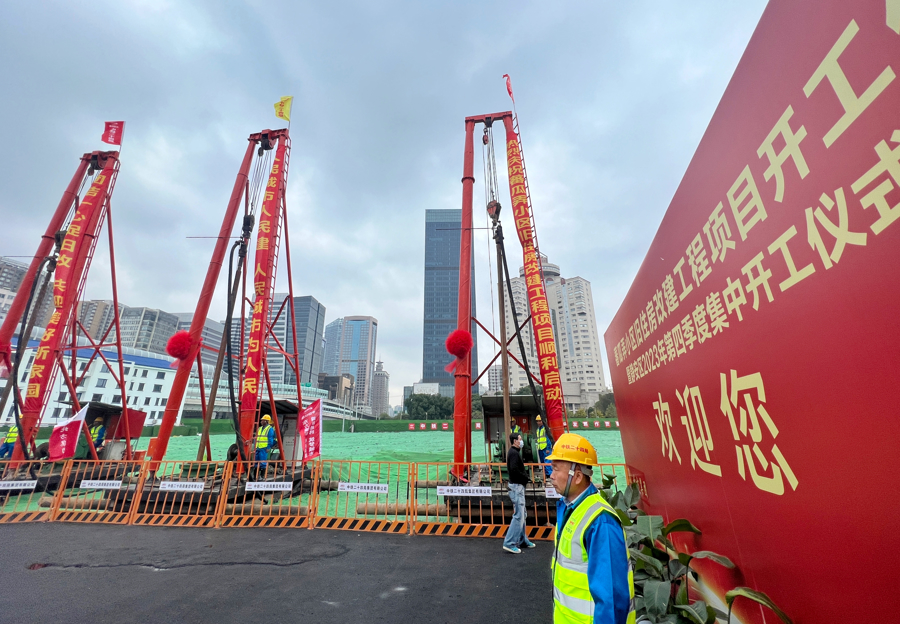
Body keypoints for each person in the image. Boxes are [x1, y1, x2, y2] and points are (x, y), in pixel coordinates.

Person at [547, 433, 635, 624]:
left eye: (555, 469)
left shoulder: (600, 522)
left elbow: (611, 600)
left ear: (577, 476)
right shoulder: (571, 509)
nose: (550, 476)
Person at [503, 432, 535, 554]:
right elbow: (514, 470)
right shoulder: (514, 454)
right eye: (520, 439)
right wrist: (525, 477)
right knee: (519, 515)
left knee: (522, 514)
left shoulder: (515, 453)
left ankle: (522, 539)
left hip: (518, 486)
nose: (522, 441)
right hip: (517, 487)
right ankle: (509, 542)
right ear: (515, 441)